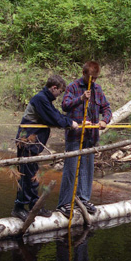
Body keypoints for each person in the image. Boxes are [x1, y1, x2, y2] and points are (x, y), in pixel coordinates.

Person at [12, 75, 78, 222]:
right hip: (26, 142)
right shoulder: (40, 99)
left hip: (34, 144)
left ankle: (35, 206)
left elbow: (56, 115)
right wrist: (70, 124)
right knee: (25, 176)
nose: (59, 95)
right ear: (53, 88)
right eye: (59, 91)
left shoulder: (45, 99)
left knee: (33, 175)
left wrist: (70, 121)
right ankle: (19, 208)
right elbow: (53, 119)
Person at [57, 61, 112, 217]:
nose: (93, 81)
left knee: (87, 170)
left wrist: (104, 121)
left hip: (90, 136)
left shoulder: (98, 89)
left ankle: (83, 199)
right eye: (91, 78)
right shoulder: (73, 87)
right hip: (75, 137)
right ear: (84, 74)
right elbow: (65, 106)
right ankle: (64, 203)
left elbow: (107, 108)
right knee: (71, 169)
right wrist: (81, 98)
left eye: (95, 78)